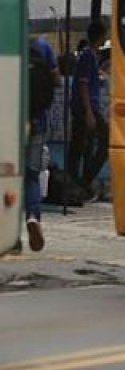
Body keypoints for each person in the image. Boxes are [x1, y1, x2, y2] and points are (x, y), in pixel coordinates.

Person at [25, 34, 60, 252]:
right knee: (31, 174)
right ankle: (32, 216)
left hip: (8, 122)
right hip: (37, 121)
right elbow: (56, 80)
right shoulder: (43, 45)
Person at [68, 20, 109, 199]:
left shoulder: (92, 56)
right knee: (99, 141)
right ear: (101, 36)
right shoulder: (87, 56)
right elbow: (83, 85)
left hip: (89, 106)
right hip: (86, 107)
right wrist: (89, 112)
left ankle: (82, 182)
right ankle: (80, 181)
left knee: (85, 145)